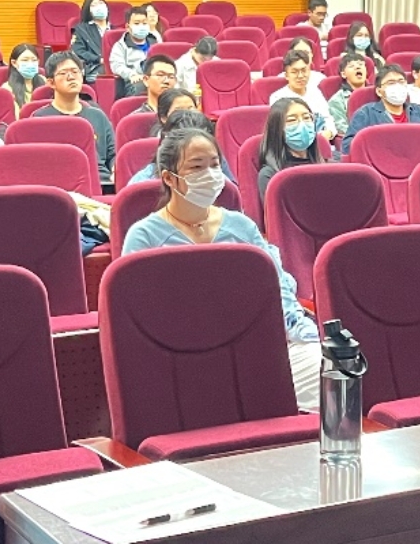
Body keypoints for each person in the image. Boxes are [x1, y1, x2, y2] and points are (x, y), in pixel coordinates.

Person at [122, 127, 320, 410]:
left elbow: (278, 292)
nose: (210, 174)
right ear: (169, 178)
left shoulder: (242, 227)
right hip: (184, 359)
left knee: (330, 371)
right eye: (196, 167)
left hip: (251, 349)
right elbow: (138, 318)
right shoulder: (144, 236)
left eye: (214, 165)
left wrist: (302, 333)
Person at [34, 51, 116, 187]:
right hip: (59, 186)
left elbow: (113, 154)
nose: (71, 77)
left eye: (75, 71)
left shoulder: (98, 116)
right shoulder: (40, 119)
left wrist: (115, 169)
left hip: (101, 182)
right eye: (63, 73)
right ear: (50, 82)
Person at [343, 64, 420, 158]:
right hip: (382, 165)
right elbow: (348, 145)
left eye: (401, 82)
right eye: (391, 83)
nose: (397, 86)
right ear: (379, 91)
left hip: (418, 163)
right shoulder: (366, 113)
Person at [128, 108, 237, 185]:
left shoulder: (223, 184)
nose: (208, 175)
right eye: (197, 166)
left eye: (214, 165)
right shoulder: (142, 186)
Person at [257, 96, 326, 199]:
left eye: (307, 118)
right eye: (292, 120)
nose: (302, 125)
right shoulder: (270, 175)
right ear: (277, 129)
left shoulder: (328, 167)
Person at [269, 50, 335, 140]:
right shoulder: (277, 97)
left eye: (304, 71)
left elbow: (327, 118)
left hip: (320, 140)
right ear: (286, 75)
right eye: (294, 72)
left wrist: (329, 132)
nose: (300, 76)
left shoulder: (316, 92)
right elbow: (278, 129)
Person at [110, 7, 154, 99]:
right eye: (137, 23)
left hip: (154, 78)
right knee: (140, 86)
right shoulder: (120, 45)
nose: (141, 26)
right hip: (133, 81)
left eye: (144, 23)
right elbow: (117, 66)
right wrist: (132, 74)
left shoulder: (155, 42)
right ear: (128, 27)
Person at [70, 0, 111, 84]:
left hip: (116, 67)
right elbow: (79, 51)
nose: (99, 7)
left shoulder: (115, 30)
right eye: (94, 5)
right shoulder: (81, 29)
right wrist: (99, 59)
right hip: (94, 68)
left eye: (101, 3)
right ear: (88, 10)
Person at [327, 52, 369, 138]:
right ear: (343, 74)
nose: (357, 67)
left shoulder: (378, 94)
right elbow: (341, 127)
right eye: (351, 66)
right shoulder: (337, 100)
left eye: (361, 65)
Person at [4, 42, 47, 116]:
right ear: (14, 63)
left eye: (34, 60)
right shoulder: (7, 88)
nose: (30, 64)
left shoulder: (45, 81)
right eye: (25, 60)